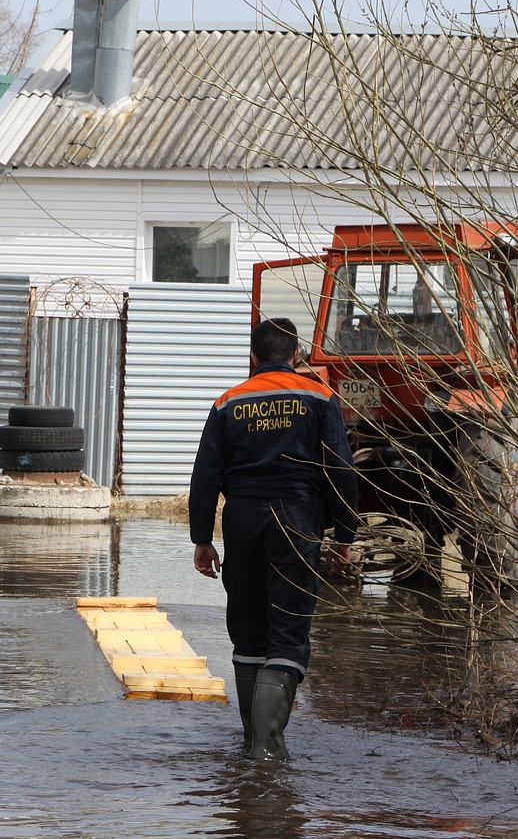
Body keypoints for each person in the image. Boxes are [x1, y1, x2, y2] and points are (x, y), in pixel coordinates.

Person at [188, 318, 358, 761]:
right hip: (297, 520)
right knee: (287, 633)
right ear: (297, 355)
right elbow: (340, 469)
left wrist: (203, 538)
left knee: (248, 636)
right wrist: (345, 535)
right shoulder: (320, 397)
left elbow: (205, 475)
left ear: (254, 357)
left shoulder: (228, 402)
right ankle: (268, 752)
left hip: (242, 520)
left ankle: (250, 745)